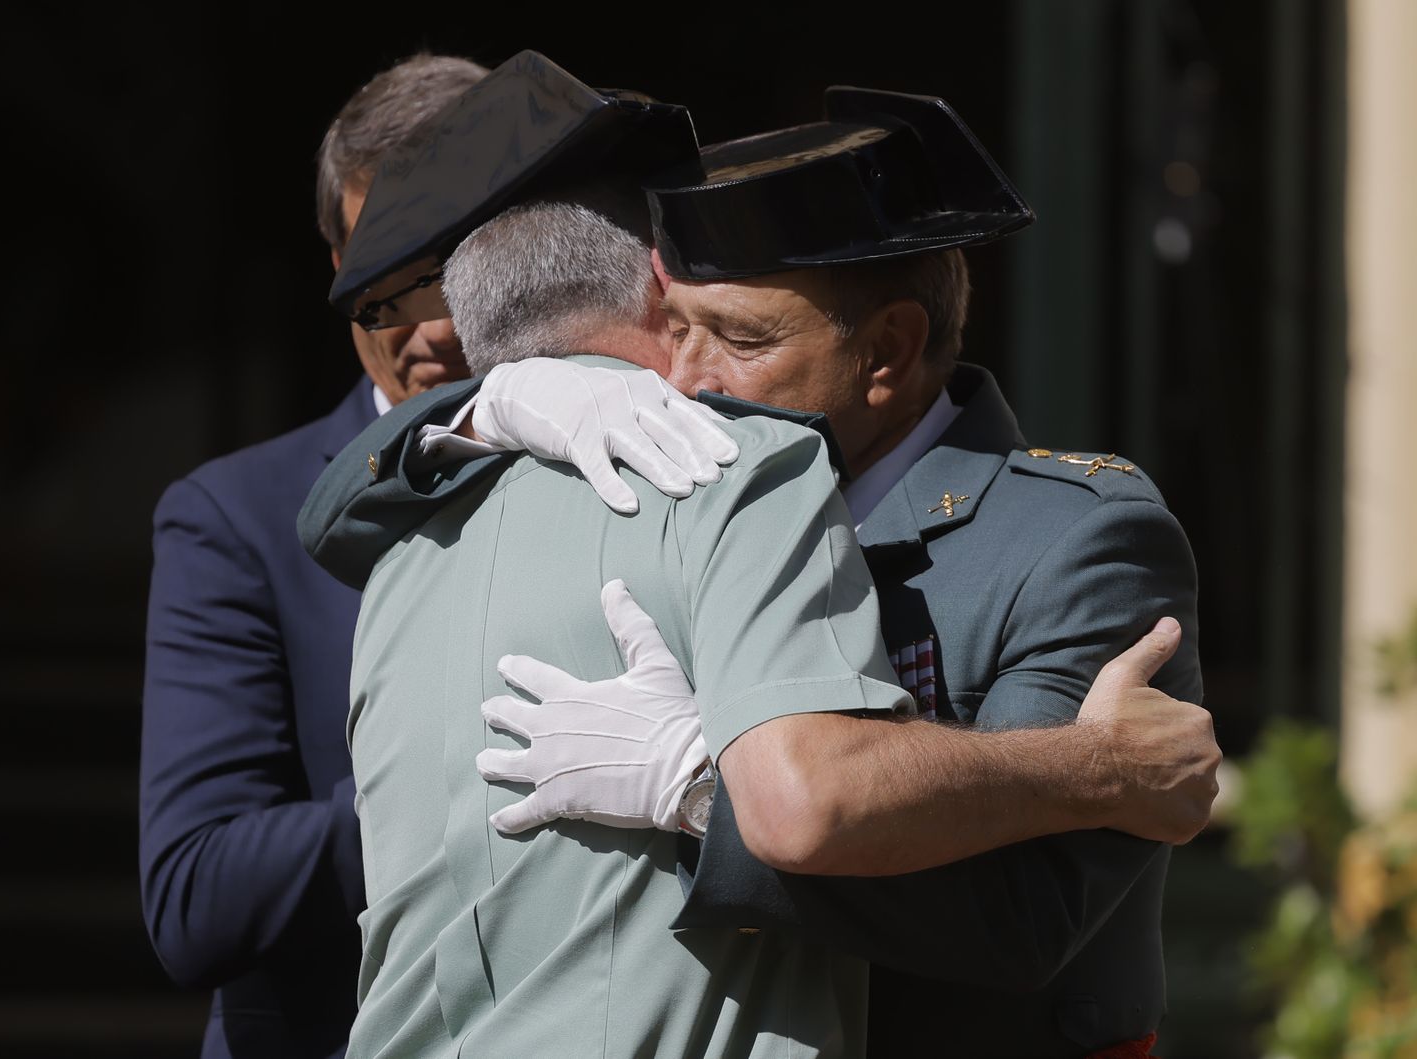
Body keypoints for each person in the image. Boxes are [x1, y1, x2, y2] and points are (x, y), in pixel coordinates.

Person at [303, 82, 1216, 1057]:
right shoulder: (685, 481)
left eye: (742, 339)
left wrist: (708, 797)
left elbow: (1018, 915)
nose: (688, 376)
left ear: (887, 350)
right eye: (679, 324)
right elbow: (325, 512)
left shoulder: (1069, 540)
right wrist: (493, 405)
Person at [136, 53, 487, 1059]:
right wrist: (478, 788)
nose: (428, 322)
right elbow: (197, 897)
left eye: (453, 262)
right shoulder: (237, 519)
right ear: (337, 266)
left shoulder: (643, 466)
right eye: (385, 264)